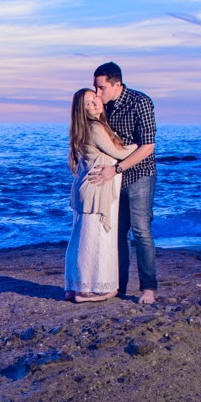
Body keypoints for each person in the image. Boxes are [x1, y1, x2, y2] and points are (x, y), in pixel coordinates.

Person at [93, 61, 158, 305]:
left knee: (141, 231)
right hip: (114, 178)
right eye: (95, 88)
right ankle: (117, 286)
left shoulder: (140, 102)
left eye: (101, 88)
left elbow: (148, 146)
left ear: (116, 84)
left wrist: (117, 168)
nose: (98, 93)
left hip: (140, 174)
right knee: (117, 234)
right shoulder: (103, 108)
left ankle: (148, 288)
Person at [64, 89, 139, 302]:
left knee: (81, 238)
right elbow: (122, 154)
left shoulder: (85, 128)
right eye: (88, 103)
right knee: (95, 240)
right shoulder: (95, 127)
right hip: (97, 189)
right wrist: (144, 145)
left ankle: (74, 286)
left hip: (86, 187)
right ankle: (89, 291)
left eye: (95, 98)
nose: (95, 103)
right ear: (82, 110)